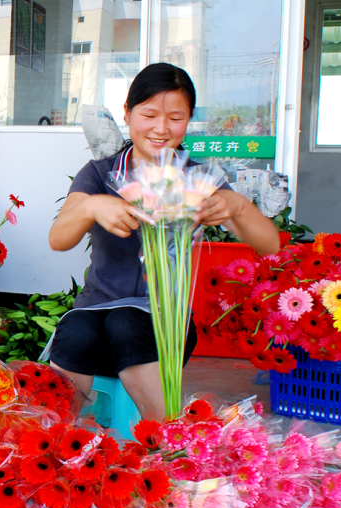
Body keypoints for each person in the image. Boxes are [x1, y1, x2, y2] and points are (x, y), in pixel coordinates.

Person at [47, 63, 280, 421]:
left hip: (165, 326)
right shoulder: (100, 174)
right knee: (76, 329)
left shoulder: (197, 179)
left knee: (125, 322)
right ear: (128, 113)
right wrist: (93, 206)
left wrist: (237, 205)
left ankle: (164, 438)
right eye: (149, 114)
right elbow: (59, 238)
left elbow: (270, 244)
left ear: (188, 120)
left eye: (175, 117)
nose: (161, 128)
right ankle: (48, 444)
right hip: (94, 318)